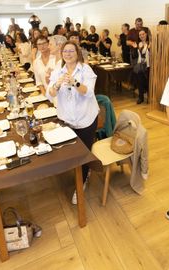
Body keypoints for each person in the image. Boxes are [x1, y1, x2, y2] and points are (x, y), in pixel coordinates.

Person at [46, 41, 99, 205]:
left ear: (77, 53)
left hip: (85, 119)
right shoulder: (57, 70)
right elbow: (50, 94)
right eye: (65, 51)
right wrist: (56, 84)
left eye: (71, 51)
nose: (68, 54)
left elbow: (89, 93)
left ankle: (81, 182)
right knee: (71, 152)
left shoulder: (85, 69)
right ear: (62, 54)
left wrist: (75, 82)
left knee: (83, 153)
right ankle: (80, 172)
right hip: (67, 120)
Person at [131, 28, 150, 104]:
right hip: (140, 66)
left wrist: (150, 49)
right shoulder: (139, 44)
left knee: (148, 82)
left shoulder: (150, 43)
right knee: (139, 82)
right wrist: (135, 48)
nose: (142, 36)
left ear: (146, 34)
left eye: (143, 34)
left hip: (148, 66)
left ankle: (149, 98)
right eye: (140, 35)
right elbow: (135, 56)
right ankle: (140, 97)